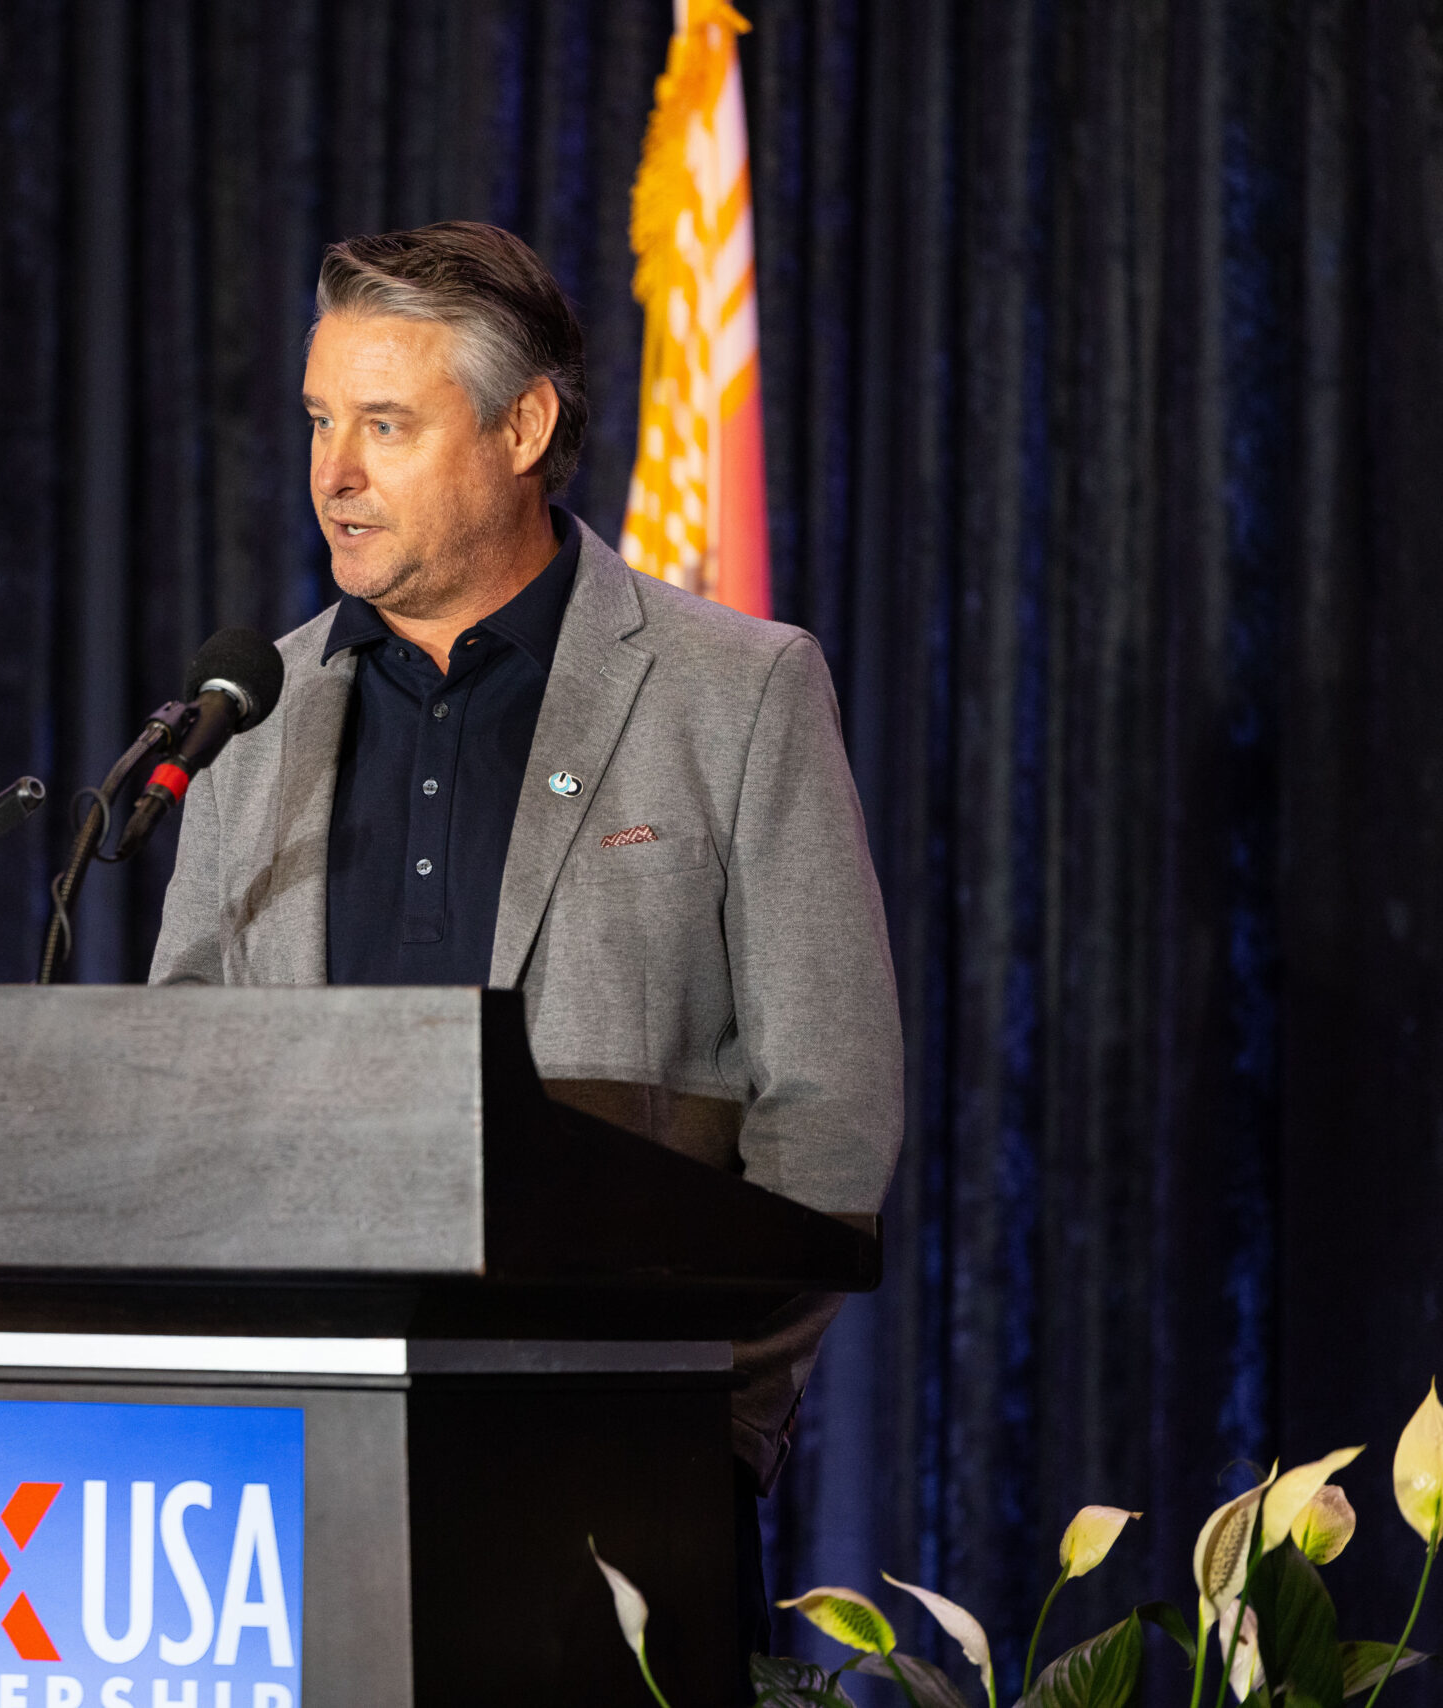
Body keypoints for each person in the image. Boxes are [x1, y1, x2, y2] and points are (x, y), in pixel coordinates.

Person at [147, 220, 904, 1667]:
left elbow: (831, 1113)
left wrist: (702, 1419)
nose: (333, 474)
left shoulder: (735, 695)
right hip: (269, 1503)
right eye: (319, 421)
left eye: (385, 424)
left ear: (524, 426)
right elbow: (183, 1080)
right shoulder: (248, 713)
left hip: (619, 1492)